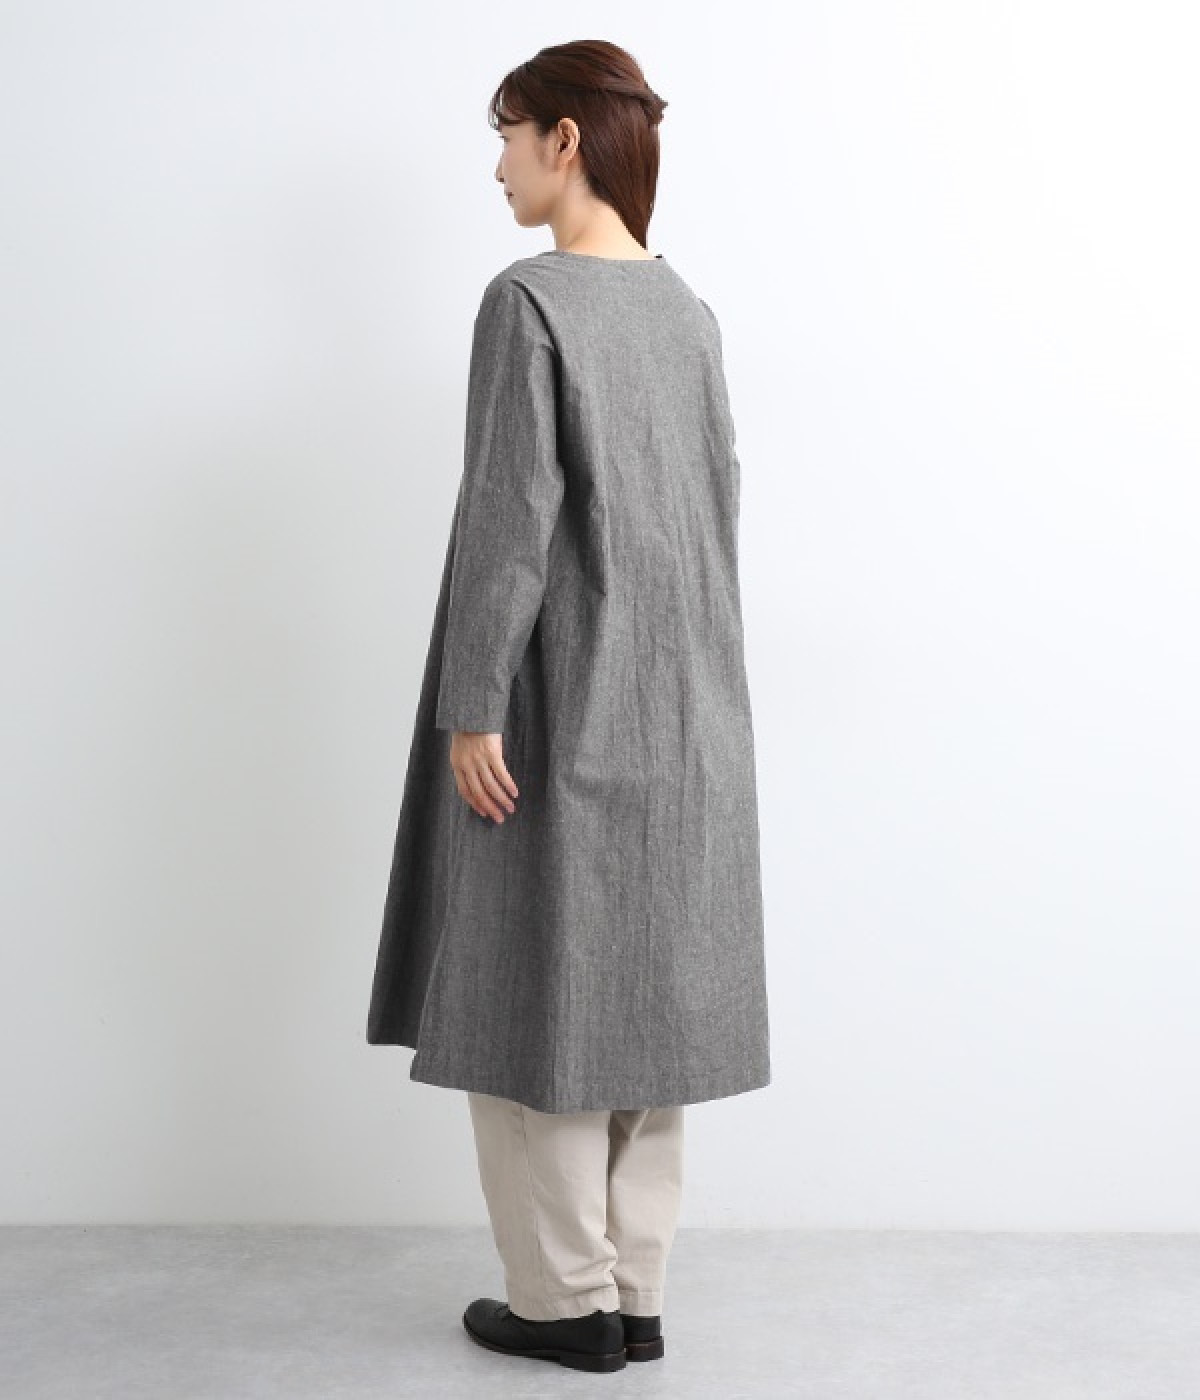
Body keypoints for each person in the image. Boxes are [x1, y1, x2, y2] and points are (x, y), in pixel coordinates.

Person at [366, 39, 771, 1373]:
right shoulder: (689, 312)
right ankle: (634, 1297)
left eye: (507, 135)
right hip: (690, 711)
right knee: (647, 1000)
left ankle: (560, 1305)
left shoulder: (527, 302)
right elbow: (716, 520)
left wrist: (474, 704)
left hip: (557, 702)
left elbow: (509, 523)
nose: (496, 165)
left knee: (526, 994)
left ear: (566, 141)